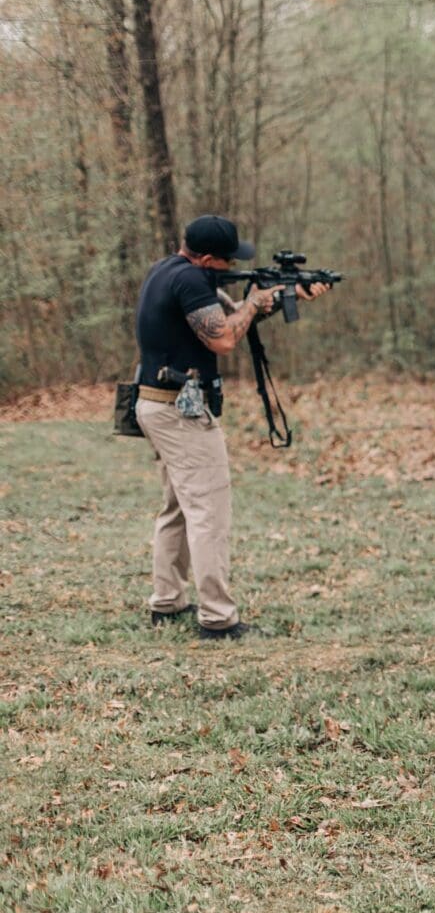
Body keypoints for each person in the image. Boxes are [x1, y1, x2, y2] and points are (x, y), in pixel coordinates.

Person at [134, 214, 329, 639]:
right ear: (206, 259)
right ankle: (218, 618)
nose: (229, 266)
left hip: (157, 404)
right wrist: (257, 302)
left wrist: (285, 295)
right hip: (181, 412)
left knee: (178, 508)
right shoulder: (190, 282)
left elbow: (231, 316)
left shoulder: (169, 271)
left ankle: (167, 602)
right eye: (225, 261)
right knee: (208, 514)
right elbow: (223, 337)